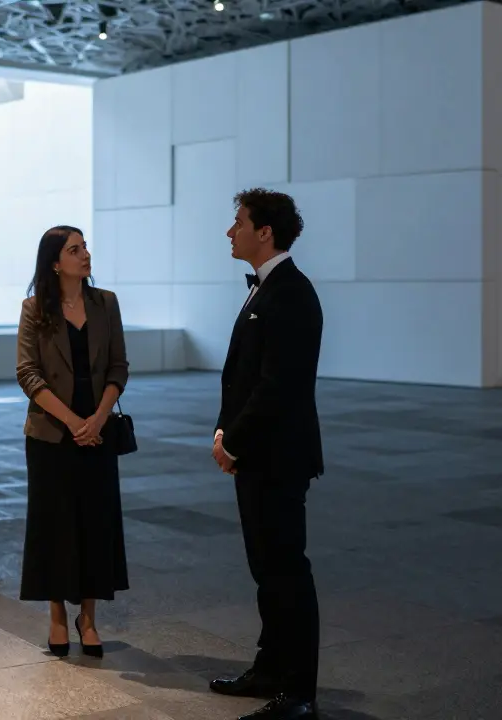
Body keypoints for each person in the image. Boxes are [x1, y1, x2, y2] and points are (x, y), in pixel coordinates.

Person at [209, 189, 324, 720]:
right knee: (267, 570)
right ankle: (270, 670)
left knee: (285, 571)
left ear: (265, 233)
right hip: (258, 453)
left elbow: (278, 386)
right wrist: (226, 433)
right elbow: (246, 377)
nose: (230, 232)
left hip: (276, 457)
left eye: (238, 223)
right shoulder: (267, 290)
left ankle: (298, 693)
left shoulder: (292, 294)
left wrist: (232, 440)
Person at [15, 225, 130, 659]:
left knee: (95, 524)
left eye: (85, 248)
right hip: (51, 435)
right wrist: (73, 422)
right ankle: (57, 617)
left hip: (97, 431)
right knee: (54, 525)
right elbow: (28, 373)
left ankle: (89, 618)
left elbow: (119, 366)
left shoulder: (106, 304)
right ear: (55, 262)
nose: (85, 255)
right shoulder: (35, 309)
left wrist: (97, 419)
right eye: (75, 249)